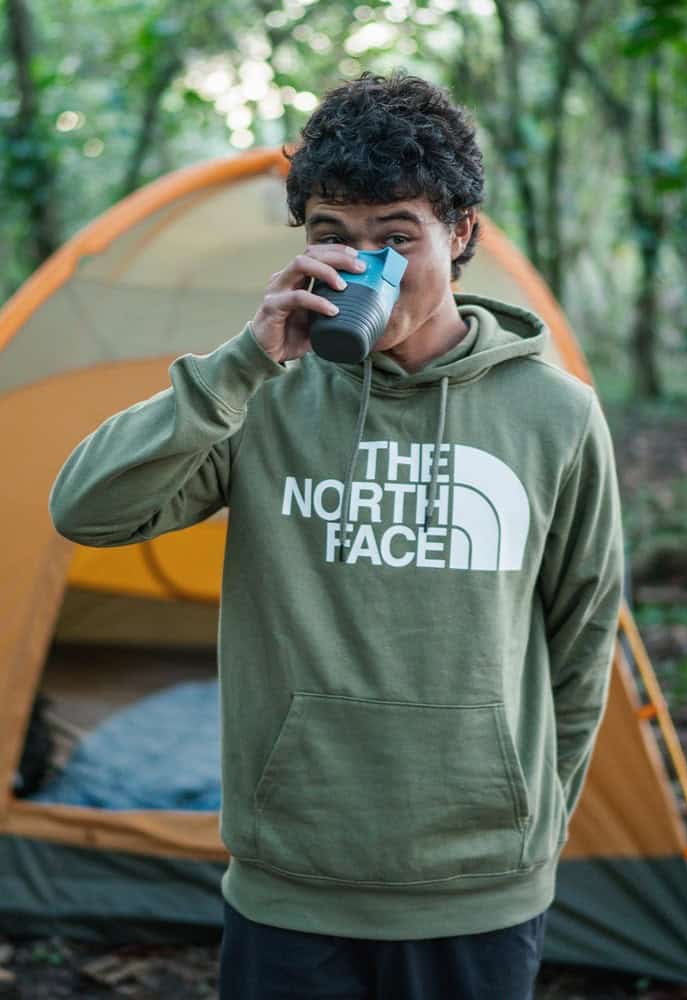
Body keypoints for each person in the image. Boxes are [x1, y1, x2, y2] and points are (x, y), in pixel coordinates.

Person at [49, 70, 625, 999]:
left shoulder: (554, 414)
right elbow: (88, 510)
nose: (366, 266)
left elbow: (583, 631)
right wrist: (243, 363)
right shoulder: (261, 399)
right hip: (293, 887)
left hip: (477, 891)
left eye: (397, 237)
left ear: (462, 234)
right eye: (334, 237)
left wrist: (533, 824)